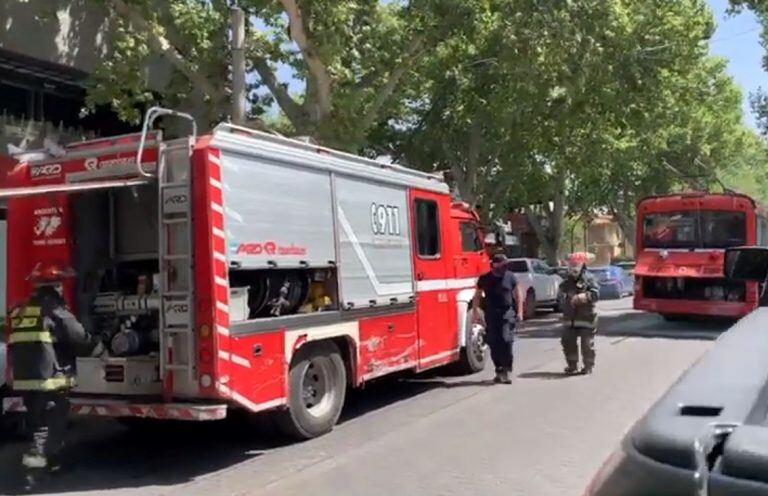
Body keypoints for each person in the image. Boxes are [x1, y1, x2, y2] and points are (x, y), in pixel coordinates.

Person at [8, 263, 105, 484]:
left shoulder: (22, 310)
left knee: (37, 424)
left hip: (25, 382)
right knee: (47, 427)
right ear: (54, 288)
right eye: (59, 286)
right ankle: (33, 474)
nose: (62, 289)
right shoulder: (55, 311)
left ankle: (51, 464)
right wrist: (98, 346)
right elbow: (79, 338)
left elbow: (8, 334)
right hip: (50, 382)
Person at [473, 254, 524, 384]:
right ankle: (499, 370)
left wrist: (520, 311)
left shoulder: (510, 277)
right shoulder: (485, 278)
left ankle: (506, 370)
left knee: (506, 339)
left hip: (507, 312)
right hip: (491, 313)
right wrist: (475, 312)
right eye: (502, 265)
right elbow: (477, 295)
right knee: (493, 342)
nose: (504, 268)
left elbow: (518, 293)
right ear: (494, 266)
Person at [559, 253, 600, 375]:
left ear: (581, 265)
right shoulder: (566, 282)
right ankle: (572, 366)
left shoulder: (590, 279)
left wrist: (584, 296)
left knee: (586, 345)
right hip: (570, 319)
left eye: (575, 265)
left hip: (587, 319)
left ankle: (588, 366)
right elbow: (561, 294)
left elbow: (596, 294)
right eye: (571, 265)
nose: (573, 268)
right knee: (567, 341)